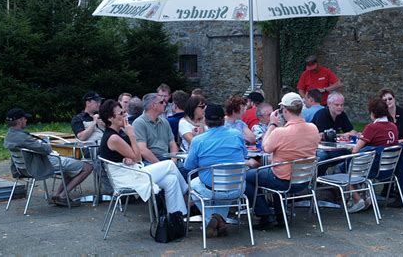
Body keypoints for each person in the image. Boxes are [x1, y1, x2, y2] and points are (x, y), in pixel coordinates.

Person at [244, 93, 320, 230]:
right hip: (304, 180)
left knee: (246, 177)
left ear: (284, 110)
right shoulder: (313, 128)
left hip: (283, 181)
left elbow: (265, 147)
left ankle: (264, 214)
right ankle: (280, 214)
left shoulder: (280, 132)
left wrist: (272, 124)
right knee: (273, 171)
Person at [99, 100, 187, 214]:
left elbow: (127, 156)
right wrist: (131, 134)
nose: (125, 115)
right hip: (127, 178)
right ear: (110, 118)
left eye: (124, 112)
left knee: (172, 180)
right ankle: (188, 195)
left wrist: (125, 158)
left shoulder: (117, 134)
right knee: (169, 164)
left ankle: (178, 218)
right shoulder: (113, 138)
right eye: (121, 114)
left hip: (131, 172)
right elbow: (138, 158)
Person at [4, 108, 93, 207]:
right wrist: (44, 143)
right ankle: (62, 196)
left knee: (72, 166)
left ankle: (57, 195)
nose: (26, 120)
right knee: (87, 167)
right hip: (40, 165)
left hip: (23, 168)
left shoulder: (9, 136)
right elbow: (46, 149)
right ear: (19, 121)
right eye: (24, 119)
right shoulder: (22, 137)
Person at [184, 104, 247, 238]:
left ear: (205, 121)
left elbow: (188, 166)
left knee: (194, 184)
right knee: (223, 183)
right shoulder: (237, 135)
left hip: (212, 188)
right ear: (223, 120)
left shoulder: (198, 141)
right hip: (237, 187)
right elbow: (244, 154)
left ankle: (212, 219)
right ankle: (219, 220)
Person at [348, 98, 400, 212]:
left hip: (373, 169)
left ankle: (357, 199)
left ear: (373, 113)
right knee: (360, 164)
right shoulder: (393, 126)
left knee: (345, 166)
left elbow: (355, 150)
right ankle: (365, 195)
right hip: (389, 169)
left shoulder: (372, 127)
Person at [312, 92, 356, 175]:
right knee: (323, 157)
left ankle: (340, 175)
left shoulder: (342, 115)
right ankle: (318, 180)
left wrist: (352, 134)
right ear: (329, 104)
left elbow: (352, 131)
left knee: (351, 154)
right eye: (337, 105)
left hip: (334, 147)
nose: (340, 107)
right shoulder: (321, 114)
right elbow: (321, 136)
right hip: (317, 147)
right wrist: (342, 135)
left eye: (342, 105)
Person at [132, 93, 178, 164]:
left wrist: (173, 161)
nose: (165, 104)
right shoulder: (139, 123)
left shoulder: (164, 122)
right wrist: (160, 165)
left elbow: (173, 144)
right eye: (161, 102)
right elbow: (142, 149)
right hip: (149, 161)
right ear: (153, 105)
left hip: (167, 160)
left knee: (190, 168)